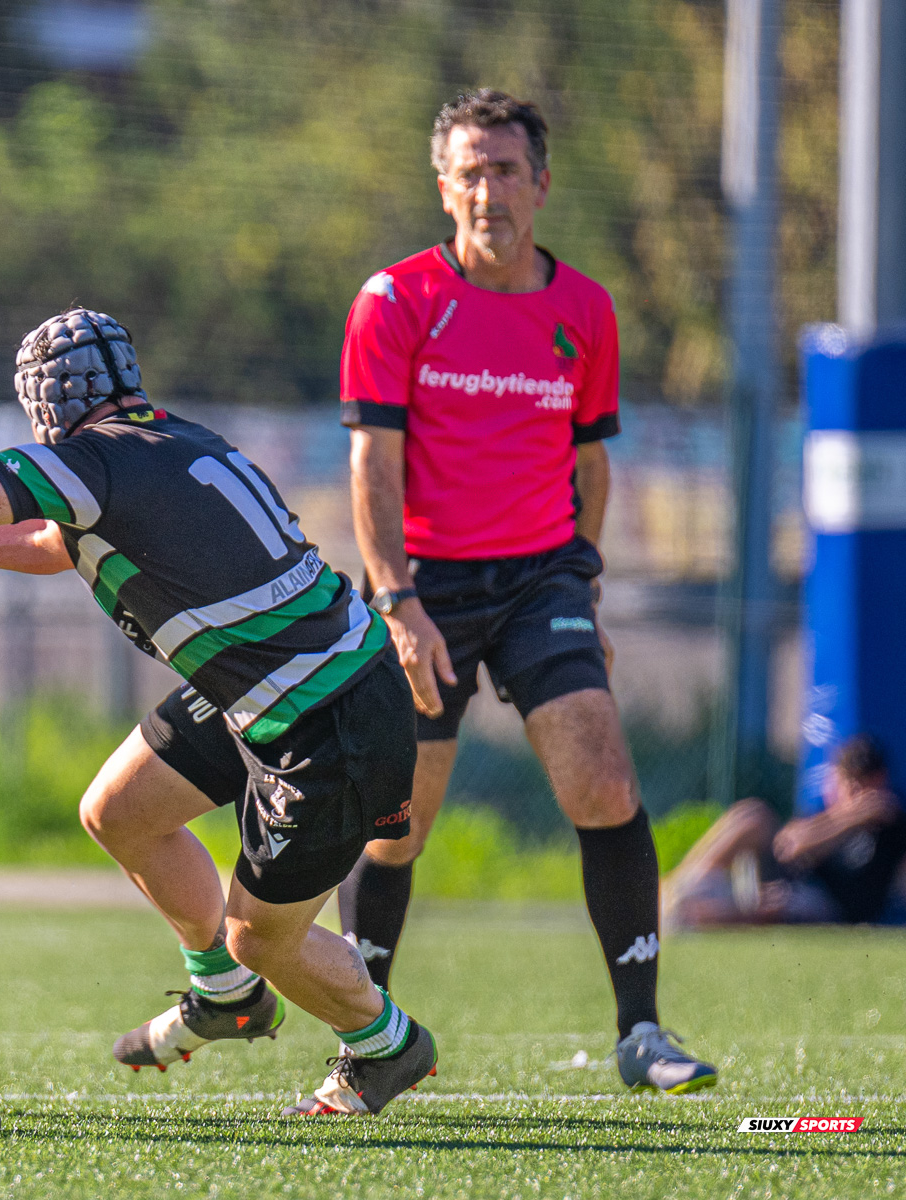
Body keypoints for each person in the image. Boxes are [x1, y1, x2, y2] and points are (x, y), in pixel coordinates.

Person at [0, 308, 438, 1118]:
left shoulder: (95, 461)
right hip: (284, 679)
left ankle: (386, 1044)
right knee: (120, 810)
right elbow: (48, 544)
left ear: (44, 403)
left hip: (323, 714)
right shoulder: (170, 439)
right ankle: (225, 997)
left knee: (260, 938)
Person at [335, 88, 716, 1095]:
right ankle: (366, 1043)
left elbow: (591, 460)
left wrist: (582, 580)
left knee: (605, 780)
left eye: (506, 170)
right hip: (425, 588)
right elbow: (373, 464)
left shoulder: (585, 309)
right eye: (470, 171)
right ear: (443, 186)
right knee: (397, 822)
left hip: (544, 576)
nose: (488, 190)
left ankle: (642, 1032)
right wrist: (395, 601)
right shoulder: (395, 300)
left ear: (540, 185)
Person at [664, 735, 906, 927]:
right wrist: (849, 818)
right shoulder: (834, 815)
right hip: (795, 880)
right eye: (849, 785)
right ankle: (680, 887)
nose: (858, 795)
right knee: (755, 815)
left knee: (783, 902)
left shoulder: (893, 824)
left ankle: (690, 917)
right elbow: (789, 846)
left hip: (830, 905)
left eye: (863, 785)